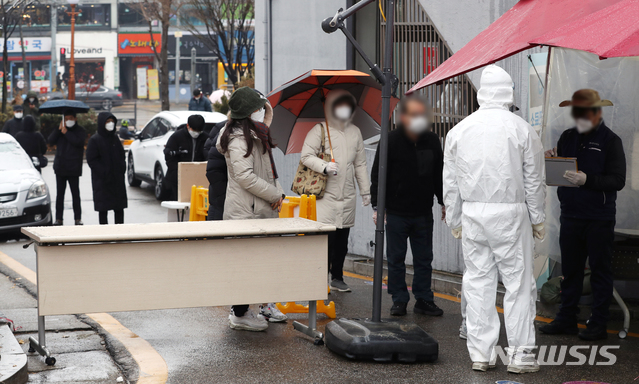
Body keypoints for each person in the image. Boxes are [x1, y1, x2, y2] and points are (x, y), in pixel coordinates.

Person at [443, 65, 545, 373]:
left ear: (481, 93)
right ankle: (521, 354)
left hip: (474, 214)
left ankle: (481, 354)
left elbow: (451, 182)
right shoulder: (521, 128)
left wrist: (456, 220)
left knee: (478, 283)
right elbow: (534, 180)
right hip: (511, 214)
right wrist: (538, 218)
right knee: (518, 284)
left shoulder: (459, 131)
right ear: (509, 92)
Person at [539, 89, 626, 341]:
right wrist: (552, 159)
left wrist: (587, 180)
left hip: (599, 217)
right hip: (571, 214)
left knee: (600, 270)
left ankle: (598, 323)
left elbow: (617, 180)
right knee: (571, 270)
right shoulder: (568, 136)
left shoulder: (611, 141)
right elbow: (563, 166)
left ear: (597, 112)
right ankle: (567, 318)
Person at [216, 87, 287, 331]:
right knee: (244, 265)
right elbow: (245, 176)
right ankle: (240, 313)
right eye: (258, 109)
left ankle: (250, 309)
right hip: (246, 212)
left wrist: (277, 194)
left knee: (255, 264)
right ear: (248, 113)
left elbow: (265, 171)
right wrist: (275, 194)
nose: (262, 112)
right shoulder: (239, 138)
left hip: (257, 209)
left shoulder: (256, 134)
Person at [370, 95, 445, 317]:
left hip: (423, 212)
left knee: (424, 259)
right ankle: (399, 300)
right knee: (396, 259)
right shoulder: (390, 140)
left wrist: (443, 201)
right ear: (403, 117)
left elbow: (439, 173)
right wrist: (377, 207)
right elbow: (377, 175)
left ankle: (423, 299)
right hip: (395, 212)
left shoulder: (432, 140)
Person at [300, 89, 371, 293]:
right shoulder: (319, 130)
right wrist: (324, 165)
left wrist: (365, 191)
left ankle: (337, 277)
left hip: (347, 193)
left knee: (342, 240)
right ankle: (321, 278)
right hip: (325, 194)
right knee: (326, 239)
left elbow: (360, 164)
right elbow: (306, 156)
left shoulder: (355, 131)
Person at [86, 112, 128, 225]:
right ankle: (105, 236)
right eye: (108, 122)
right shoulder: (95, 140)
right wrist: (103, 172)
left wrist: (121, 169)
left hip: (117, 180)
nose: (111, 124)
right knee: (103, 210)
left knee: (119, 209)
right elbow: (91, 160)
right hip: (102, 182)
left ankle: (120, 234)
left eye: (112, 122)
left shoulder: (115, 138)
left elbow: (121, 155)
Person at [48, 109, 87, 226]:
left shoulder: (80, 131)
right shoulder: (60, 129)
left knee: (75, 194)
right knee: (60, 195)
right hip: (60, 167)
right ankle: (59, 218)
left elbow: (78, 142)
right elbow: (50, 141)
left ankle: (77, 218)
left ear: (75, 119)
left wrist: (66, 133)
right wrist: (59, 130)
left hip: (74, 167)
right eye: (66, 119)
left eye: (71, 119)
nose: (69, 121)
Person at [163, 114, 209, 201]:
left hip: (199, 179)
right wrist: (179, 171)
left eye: (198, 130)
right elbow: (169, 156)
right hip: (176, 179)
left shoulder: (205, 138)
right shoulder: (176, 137)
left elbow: (208, 156)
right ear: (188, 126)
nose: (196, 133)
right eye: (194, 130)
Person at [204, 120, 228, 221]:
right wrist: (223, 194)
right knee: (216, 233)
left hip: (227, 196)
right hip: (220, 198)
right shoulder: (224, 130)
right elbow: (213, 170)